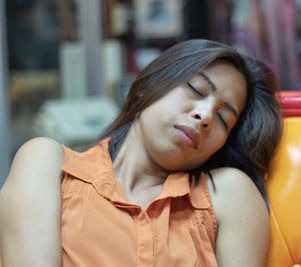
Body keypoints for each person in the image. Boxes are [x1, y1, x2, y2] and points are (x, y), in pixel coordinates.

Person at [0, 39, 282, 266]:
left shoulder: (227, 193)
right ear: (145, 89)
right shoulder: (48, 165)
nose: (205, 115)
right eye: (195, 89)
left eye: (223, 119)